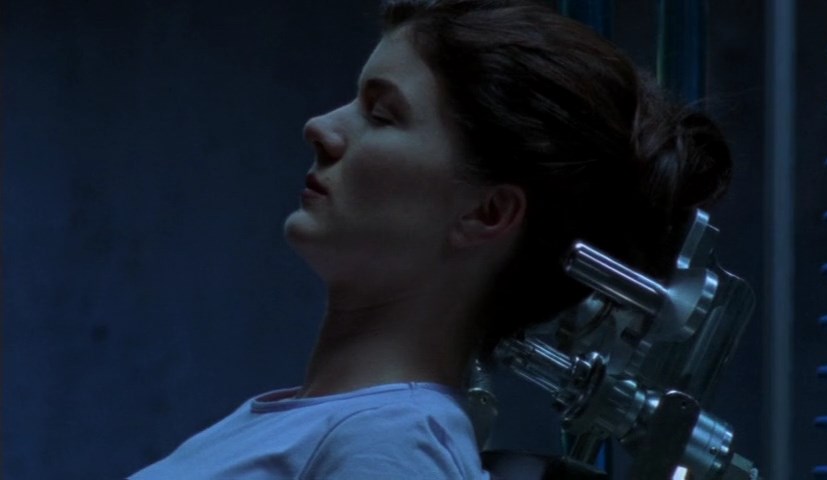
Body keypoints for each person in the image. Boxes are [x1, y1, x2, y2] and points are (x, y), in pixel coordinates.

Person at [129, 0, 731, 478]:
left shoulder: (392, 445)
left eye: (381, 114)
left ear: (487, 212)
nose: (321, 128)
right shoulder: (311, 424)